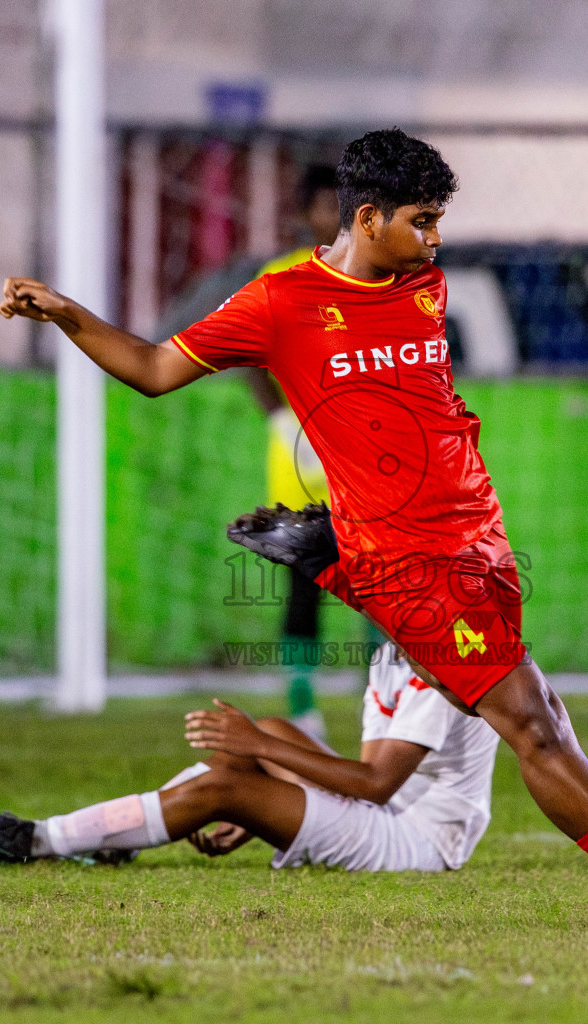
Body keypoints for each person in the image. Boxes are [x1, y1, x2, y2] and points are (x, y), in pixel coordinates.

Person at [0, 128, 588, 925]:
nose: (434, 240)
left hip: (478, 546)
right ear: (367, 218)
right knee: (535, 724)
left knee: (535, 717)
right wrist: (68, 314)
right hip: (416, 570)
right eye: (421, 221)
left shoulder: (425, 289)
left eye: (437, 222)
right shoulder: (280, 304)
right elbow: (153, 370)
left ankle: (331, 563)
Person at [0, 642, 500, 872]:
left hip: (420, 843)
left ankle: (40, 840)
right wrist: (274, 808)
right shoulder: (392, 652)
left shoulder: (441, 659)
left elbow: (376, 785)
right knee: (268, 735)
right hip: (391, 813)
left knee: (228, 785)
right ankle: (113, 843)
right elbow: (370, 779)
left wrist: (262, 759)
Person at [244, 165, 342, 742]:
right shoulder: (279, 276)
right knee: (306, 579)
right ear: (306, 213)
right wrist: (285, 423)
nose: (333, 216)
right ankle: (303, 704)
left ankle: (386, 696)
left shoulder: (379, 276)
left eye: (344, 204)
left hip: (365, 456)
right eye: (324, 205)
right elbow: (251, 356)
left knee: (384, 580)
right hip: (301, 459)